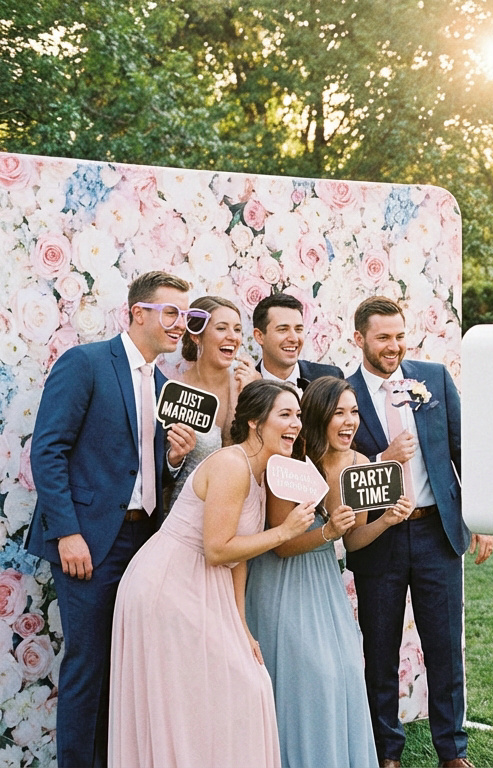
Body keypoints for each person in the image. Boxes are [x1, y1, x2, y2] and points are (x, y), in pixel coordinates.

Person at [26, 271, 198, 768]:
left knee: (130, 667)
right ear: (137, 312)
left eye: (186, 316)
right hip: (89, 542)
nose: (179, 325)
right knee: (88, 664)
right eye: (171, 313)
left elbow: (142, 468)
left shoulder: (166, 384)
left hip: (145, 542)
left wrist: (172, 458)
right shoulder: (86, 363)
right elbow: (49, 450)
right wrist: (68, 532)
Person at [108, 379, 317, 765]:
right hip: (167, 586)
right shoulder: (230, 465)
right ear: (255, 422)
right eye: (285, 415)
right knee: (192, 702)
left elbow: (239, 561)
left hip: (207, 588)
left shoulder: (260, 474)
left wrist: (241, 628)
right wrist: (285, 532)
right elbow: (217, 549)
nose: (296, 425)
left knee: (248, 683)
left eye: (298, 416)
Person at [345, 297, 493, 768]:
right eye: (383, 337)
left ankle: (452, 750)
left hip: (436, 532)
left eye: (399, 336)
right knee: (381, 647)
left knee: (445, 645)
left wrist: (481, 517)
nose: (394, 346)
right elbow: (337, 467)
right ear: (360, 340)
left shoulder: (432, 378)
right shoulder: (341, 393)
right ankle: (386, 751)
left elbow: (462, 449)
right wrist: (384, 456)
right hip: (380, 538)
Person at [248, 377, 403, 767]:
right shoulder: (294, 464)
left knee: (348, 670)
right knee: (308, 677)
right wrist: (327, 530)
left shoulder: (361, 465)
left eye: (354, 412)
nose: (349, 422)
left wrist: (385, 522)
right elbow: (281, 544)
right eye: (339, 413)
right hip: (283, 580)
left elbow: (350, 543)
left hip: (323, 581)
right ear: (320, 417)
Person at [169, 295, 261, 501]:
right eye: (221, 328)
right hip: (187, 510)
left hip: (239, 507)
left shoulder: (250, 384)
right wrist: (174, 459)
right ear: (196, 336)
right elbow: (160, 468)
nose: (233, 337)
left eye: (237, 329)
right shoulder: (176, 390)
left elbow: (263, 452)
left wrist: (252, 395)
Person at [253, 292, 345, 389]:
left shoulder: (330, 379)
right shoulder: (245, 386)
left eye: (298, 329)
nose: (294, 338)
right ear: (259, 336)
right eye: (283, 329)